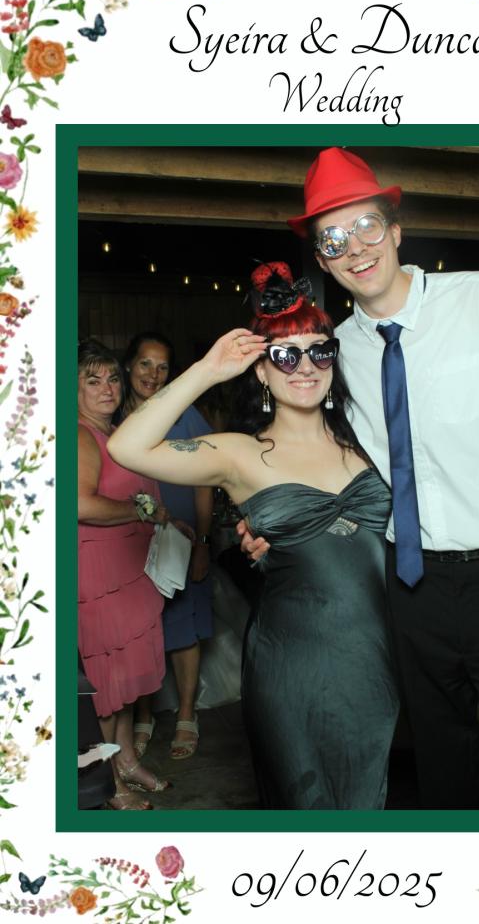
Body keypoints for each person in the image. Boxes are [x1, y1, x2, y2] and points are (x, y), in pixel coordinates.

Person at [243, 148, 479, 811]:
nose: (354, 247)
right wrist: (272, 521)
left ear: (396, 231)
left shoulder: (478, 300)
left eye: (367, 226)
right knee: (443, 777)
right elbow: (324, 456)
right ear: (323, 261)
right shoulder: (338, 351)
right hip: (410, 589)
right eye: (333, 239)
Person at [107, 264, 399, 810]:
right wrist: (206, 370)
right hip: (293, 662)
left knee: (371, 799)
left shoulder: (369, 439)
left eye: (320, 352)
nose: (305, 367)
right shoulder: (240, 453)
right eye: (286, 355)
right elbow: (127, 447)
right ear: (262, 371)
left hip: (378, 656)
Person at [77, 339, 173, 810]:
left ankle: (128, 761)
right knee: (108, 687)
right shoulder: (80, 436)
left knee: (128, 680)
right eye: (92, 380)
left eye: (113, 378)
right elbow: (80, 504)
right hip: (99, 575)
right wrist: (139, 510)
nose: (107, 388)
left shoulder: (118, 432)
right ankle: (109, 782)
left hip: (132, 569)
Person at [122, 332, 214, 761]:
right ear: (128, 365)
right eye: (145, 363)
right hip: (129, 543)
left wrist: (203, 543)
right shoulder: (113, 412)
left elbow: (204, 482)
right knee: (140, 630)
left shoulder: (184, 414)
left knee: (183, 627)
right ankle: (143, 715)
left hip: (181, 539)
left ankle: (186, 715)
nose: (153, 374)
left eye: (162, 367)